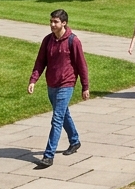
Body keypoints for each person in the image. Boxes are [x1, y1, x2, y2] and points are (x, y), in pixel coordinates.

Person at [28, 9, 90, 169]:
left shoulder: (73, 41)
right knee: (63, 114)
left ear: (64, 23)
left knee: (56, 118)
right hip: (52, 84)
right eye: (51, 21)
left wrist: (85, 86)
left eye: (55, 22)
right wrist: (33, 80)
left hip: (66, 84)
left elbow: (82, 65)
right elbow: (40, 61)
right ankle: (75, 141)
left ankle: (48, 156)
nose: (52, 24)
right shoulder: (47, 40)